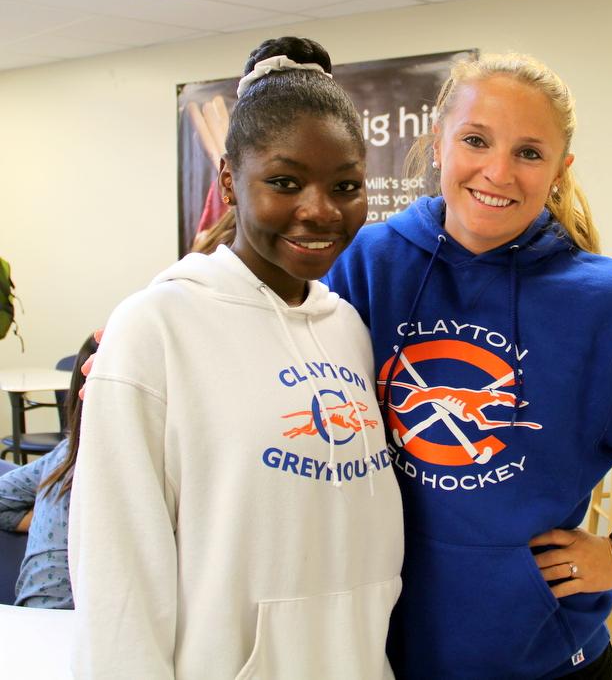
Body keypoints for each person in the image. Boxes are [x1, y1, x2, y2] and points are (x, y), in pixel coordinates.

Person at [323, 52, 612, 678]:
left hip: (539, 656)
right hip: (376, 651)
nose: (497, 172)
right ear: (436, 145)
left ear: (561, 170)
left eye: (529, 153)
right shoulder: (369, 263)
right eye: (476, 140)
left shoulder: (607, 307)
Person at [69, 37, 403, 679]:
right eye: (285, 182)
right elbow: (118, 577)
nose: (320, 211)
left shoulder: (350, 329)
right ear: (228, 179)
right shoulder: (157, 326)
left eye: (345, 186)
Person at [0, 334, 97, 609]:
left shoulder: (62, 456)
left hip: (34, 616)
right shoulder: (70, 458)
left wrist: (41, 514)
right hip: (67, 623)